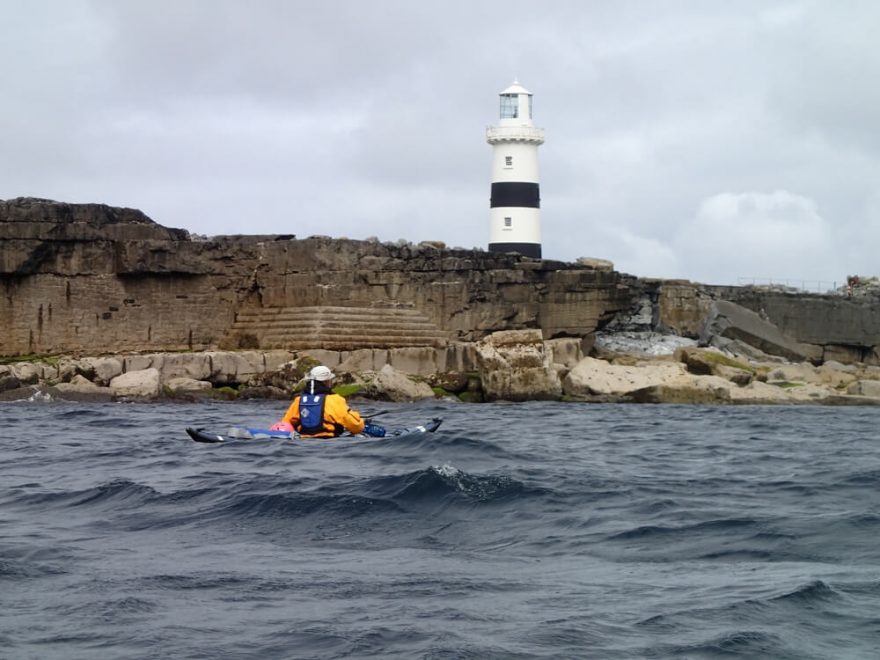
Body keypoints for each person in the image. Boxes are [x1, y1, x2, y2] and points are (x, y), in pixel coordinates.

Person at [270, 365, 385, 438]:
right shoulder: (335, 400)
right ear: (327, 382)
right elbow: (356, 426)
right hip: (329, 443)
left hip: (304, 442)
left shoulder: (298, 400)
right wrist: (362, 423)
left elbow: (285, 424)